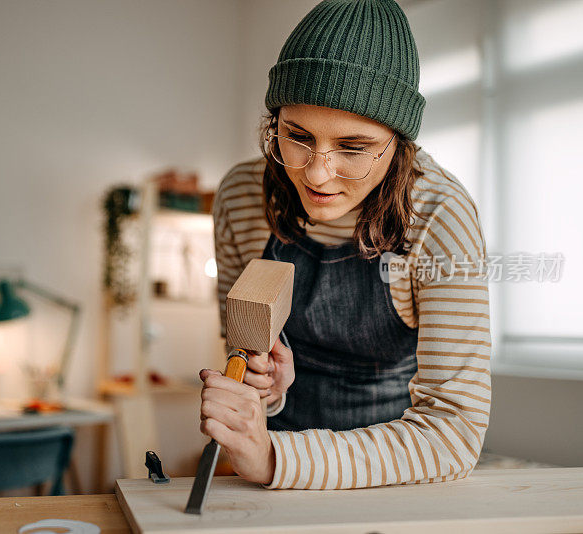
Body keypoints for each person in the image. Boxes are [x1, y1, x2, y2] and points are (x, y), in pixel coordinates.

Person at [199, 0, 491, 489]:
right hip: (267, 471)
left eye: (353, 148)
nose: (316, 174)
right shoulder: (241, 198)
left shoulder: (440, 218)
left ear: (400, 143)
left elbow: (454, 433)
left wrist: (275, 459)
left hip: (393, 475)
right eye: (296, 136)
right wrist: (263, 392)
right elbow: (243, 361)